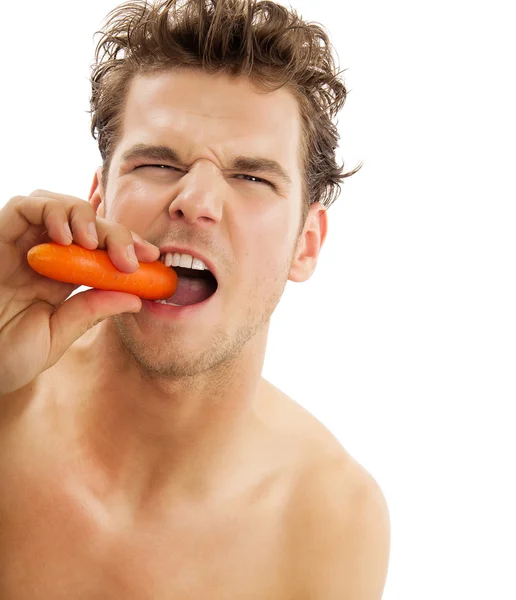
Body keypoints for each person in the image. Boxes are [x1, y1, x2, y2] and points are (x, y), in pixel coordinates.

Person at [0, 0, 390, 597]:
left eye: (252, 177)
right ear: (99, 201)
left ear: (305, 245)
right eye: (158, 162)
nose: (196, 199)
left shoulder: (331, 519)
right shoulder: (6, 402)